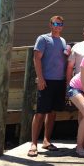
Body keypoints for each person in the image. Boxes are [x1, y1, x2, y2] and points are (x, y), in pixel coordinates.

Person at [28, 15, 68, 157]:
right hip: (46, 80)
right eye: (55, 23)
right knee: (40, 112)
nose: (58, 26)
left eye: (60, 23)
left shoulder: (63, 41)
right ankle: (33, 143)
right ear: (50, 25)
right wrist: (40, 78)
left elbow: (63, 59)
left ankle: (46, 140)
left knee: (52, 113)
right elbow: (36, 58)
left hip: (60, 81)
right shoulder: (43, 38)